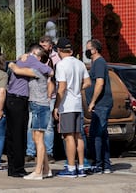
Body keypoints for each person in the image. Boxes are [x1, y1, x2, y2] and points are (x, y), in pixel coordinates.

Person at [6, 45, 53, 178]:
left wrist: (14, 63)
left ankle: (38, 171)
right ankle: (41, 169)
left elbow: (17, 69)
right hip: (27, 103)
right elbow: (48, 70)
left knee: (33, 138)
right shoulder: (33, 62)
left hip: (34, 104)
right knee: (30, 137)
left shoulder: (34, 68)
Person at [53, 37, 91, 178]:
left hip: (67, 105)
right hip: (77, 103)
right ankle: (81, 166)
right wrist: (76, 89)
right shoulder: (79, 63)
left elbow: (61, 88)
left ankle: (70, 167)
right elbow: (88, 82)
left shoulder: (61, 65)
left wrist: (56, 106)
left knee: (68, 136)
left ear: (59, 50)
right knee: (78, 135)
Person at [25, 36, 60, 164]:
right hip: (34, 97)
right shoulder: (34, 59)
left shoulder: (56, 59)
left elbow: (54, 78)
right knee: (31, 124)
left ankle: (49, 153)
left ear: (50, 46)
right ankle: (30, 152)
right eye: (40, 46)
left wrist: (51, 93)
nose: (42, 48)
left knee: (49, 125)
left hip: (50, 97)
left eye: (44, 46)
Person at [84, 39, 113, 174]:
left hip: (101, 104)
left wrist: (93, 102)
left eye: (88, 48)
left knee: (96, 134)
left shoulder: (100, 62)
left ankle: (98, 164)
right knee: (102, 134)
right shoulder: (95, 63)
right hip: (100, 105)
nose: (86, 50)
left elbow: (100, 83)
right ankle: (105, 165)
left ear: (94, 50)